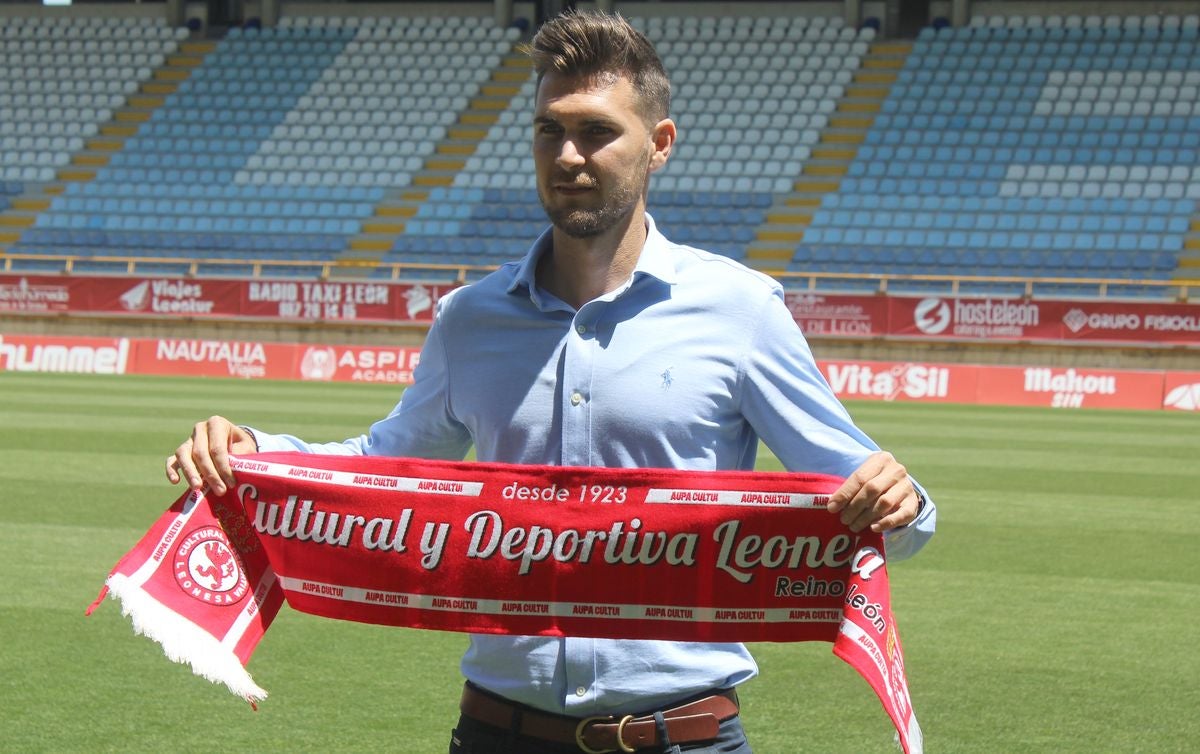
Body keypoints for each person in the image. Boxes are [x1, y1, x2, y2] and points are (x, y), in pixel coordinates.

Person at [167, 10, 936, 753]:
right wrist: (256, 454)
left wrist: (898, 501)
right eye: (549, 129)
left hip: (684, 736)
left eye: (597, 131)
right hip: (499, 732)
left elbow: (878, 503)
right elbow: (384, 457)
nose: (568, 154)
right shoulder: (470, 319)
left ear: (659, 144)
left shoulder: (741, 311)